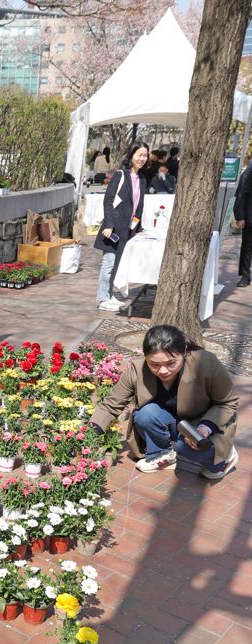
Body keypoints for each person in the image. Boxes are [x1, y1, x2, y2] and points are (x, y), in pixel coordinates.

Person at [90, 324, 239, 479]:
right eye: (154, 364)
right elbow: (111, 404)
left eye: (171, 363)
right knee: (145, 414)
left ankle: (224, 460)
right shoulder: (137, 369)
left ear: (184, 353)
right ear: (145, 356)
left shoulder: (206, 363)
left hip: (204, 423)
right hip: (174, 421)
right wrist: (88, 435)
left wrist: (206, 427)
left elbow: (227, 403)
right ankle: (161, 455)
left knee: (186, 446)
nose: (162, 371)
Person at [94, 141, 149, 313]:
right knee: (109, 263)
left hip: (127, 229)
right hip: (114, 228)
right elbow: (108, 200)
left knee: (117, 264)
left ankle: (109, 295)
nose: (142, 158)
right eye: (139, 154)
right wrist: (109, 224)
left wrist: (138, 228)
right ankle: (103, 298)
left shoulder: (141, 178)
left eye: (145, 155)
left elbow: (139, 205)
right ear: (131, 155)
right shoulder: (120, 175)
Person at [233, 161, 252, 288]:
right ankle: (245, 276)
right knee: (247, 247)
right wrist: (240, 217)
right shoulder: (249, 172)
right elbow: (240, 194)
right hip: (250, 218)